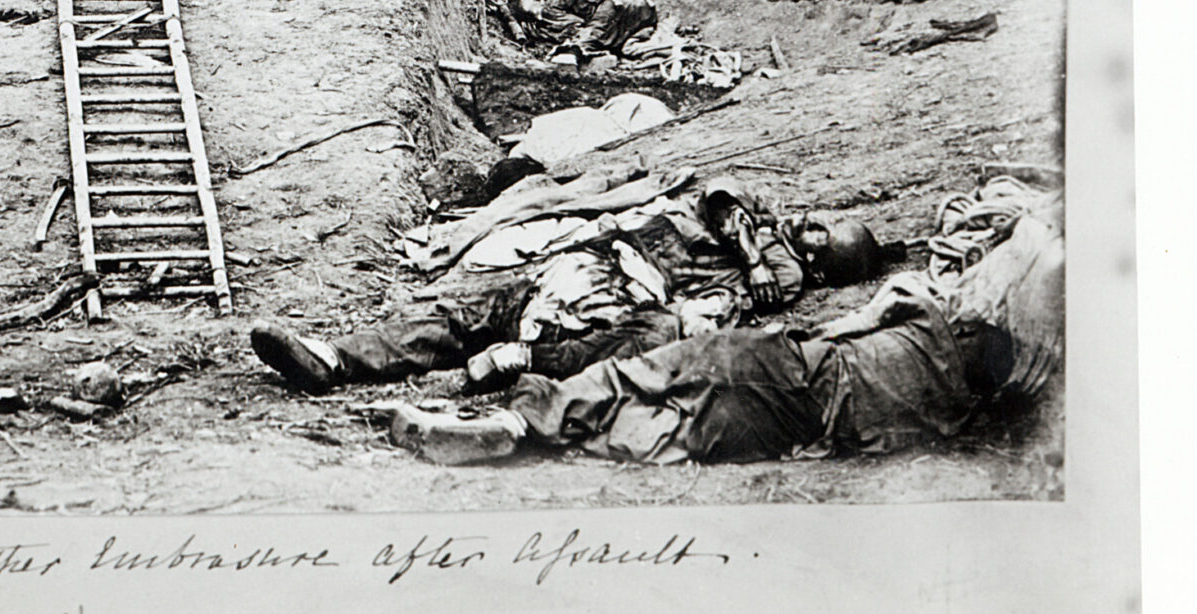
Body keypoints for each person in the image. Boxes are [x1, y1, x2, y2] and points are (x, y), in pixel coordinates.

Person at [384, 211, 1061, 466]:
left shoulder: (926, 312)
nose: (811, 227)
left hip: (782, 362)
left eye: (825, 237)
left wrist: (834, 321)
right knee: (665, 435)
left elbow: (867, 312)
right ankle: (530, 433)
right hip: (787, 433)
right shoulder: (949, 415)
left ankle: (516, 417)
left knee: (637, 374)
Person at [250, 175, 883, 395]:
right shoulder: (757, 238)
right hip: (581, 262)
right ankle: (333, 359)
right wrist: (753, 257)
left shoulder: (781, 270)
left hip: (612, 294)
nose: (815, 225)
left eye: (828, 236)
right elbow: (723, 198)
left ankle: (520, 362)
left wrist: (761, 267)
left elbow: (702, 313)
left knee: (549, 334)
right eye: (826, 221)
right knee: (461, 312)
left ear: (821, 264)